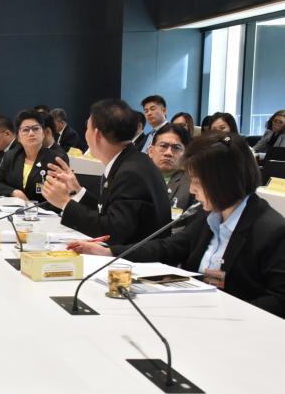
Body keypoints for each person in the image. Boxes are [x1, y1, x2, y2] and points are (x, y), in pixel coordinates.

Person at [68, 133, 285, 318]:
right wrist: (108, 252)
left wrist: (225, 314)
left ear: (222, 182)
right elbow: (169, 247)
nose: (192, 190)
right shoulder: (209, 216)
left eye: (197, 182)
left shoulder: (272, 230)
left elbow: (279, 300)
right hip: (194, 315)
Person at [41, 98, 171, 245]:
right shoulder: (130, 161)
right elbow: (108, 213)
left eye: (87, 128)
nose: (85, 134)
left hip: (134, 257)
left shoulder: (130, 173)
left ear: (97, 135)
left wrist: (64, 202)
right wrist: (77, 191)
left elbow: (113, 231)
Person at [0, 110, 69, 202]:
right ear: (18, 137)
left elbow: (60, 197)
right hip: (13, 208)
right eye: (26, 130)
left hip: (43, 210)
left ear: (43, 133)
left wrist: (31, 206)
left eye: (36, 129)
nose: (31, 133)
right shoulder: (11, 156)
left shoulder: (56, 159)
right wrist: (15, 192)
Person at [148, 124, 195, 211]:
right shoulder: (136, 178)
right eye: (163, 146)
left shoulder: (194, 183)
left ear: (186, 154)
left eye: (176, 148)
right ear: (150, 151)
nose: (168, 153)